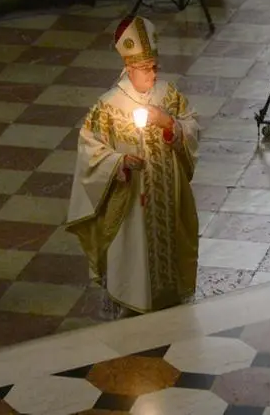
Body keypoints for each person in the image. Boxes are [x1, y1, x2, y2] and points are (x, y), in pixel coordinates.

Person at [66, 16, 200, 317]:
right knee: (133, 251)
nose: (153, 74)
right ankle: (130, 300)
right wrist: (119, 162)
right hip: (131, 201)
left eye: (155, 67)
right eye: (146, 68)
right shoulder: (109, 105)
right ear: (128, 68)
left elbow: (192, 126)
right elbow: (90, 151)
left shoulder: (168, 94)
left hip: (167, 194)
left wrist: (169, 123)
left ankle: (169, 294)